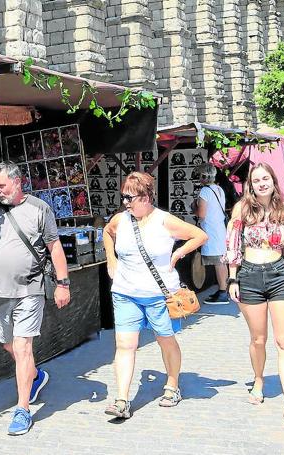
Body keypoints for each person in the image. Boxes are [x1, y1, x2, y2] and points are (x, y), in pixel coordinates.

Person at [0, 161, 71, 436]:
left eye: (2, 185)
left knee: (23, 347)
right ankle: (36, 376)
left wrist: (62, 284)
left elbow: (55, 248)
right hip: (1, 291)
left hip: (30, 289)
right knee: (8, 344)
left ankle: (22, 408)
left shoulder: (39, 209)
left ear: (18, 182)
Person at [103, 172, 207, 418]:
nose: (126, 202)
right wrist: (111, 259)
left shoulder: (164, 221)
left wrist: (179, 253)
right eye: (123, 197)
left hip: (159, 296)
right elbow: (107, 232)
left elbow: (200, 235)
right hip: (125, 292)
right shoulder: (121, 219)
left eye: (131, 197)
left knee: (165, 339)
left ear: (146, 196)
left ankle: (172, 385)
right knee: (125, 345)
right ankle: (121, 399)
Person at [225, 163, 284, 429]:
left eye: (266, 178)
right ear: (250, 184)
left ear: (273, 180)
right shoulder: (242, 209)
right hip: (249, 275)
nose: (261, 183)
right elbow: (232, 245)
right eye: (256, 180)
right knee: (258, 339)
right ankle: (258, 380)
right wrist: (233, 278)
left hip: (280, 274)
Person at [194, 163, 229, 304]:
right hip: (219, 228)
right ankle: (223, 290)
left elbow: (202, 214)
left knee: (218, 261)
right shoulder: (219, 189)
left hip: (211, 229)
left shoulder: (205, 191)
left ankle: (222, 293)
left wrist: (194, 208)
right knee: (221, 261)